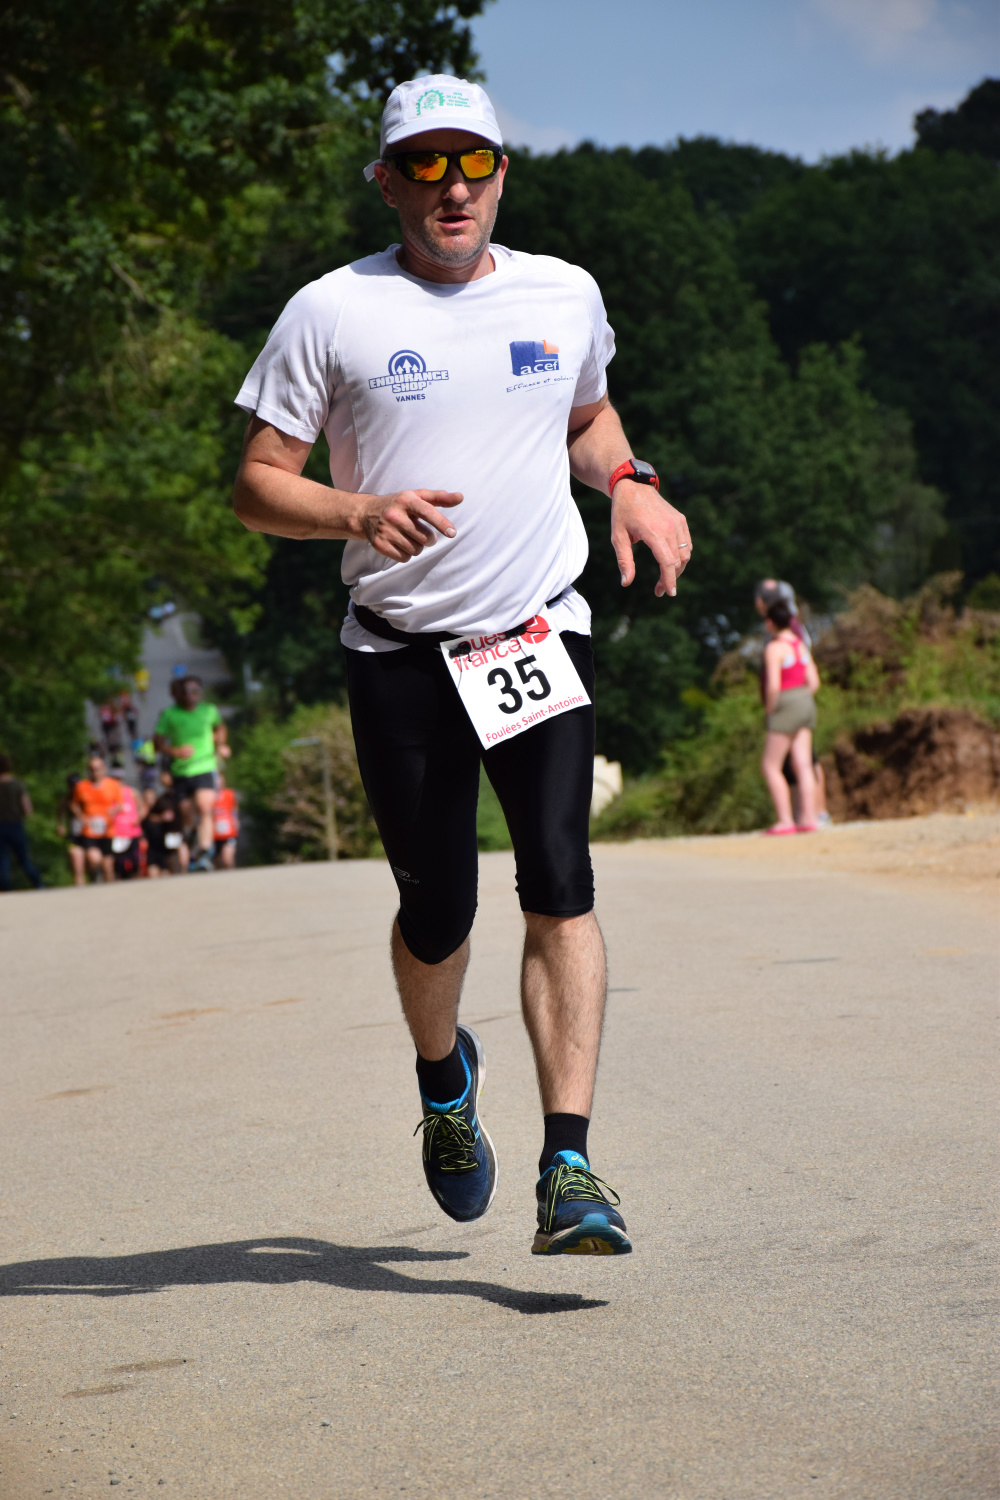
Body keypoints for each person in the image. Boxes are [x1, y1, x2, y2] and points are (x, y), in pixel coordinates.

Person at [232, 75, 693, 1256]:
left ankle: (569, 1165)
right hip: (398, 653)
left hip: (533, 631)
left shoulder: (562, 292)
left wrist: (631, 484)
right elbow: (257, 484)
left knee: (559, 880)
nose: (452, 187)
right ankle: (445, 1079)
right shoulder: (331, 311)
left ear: (501, 172)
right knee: (438, 910)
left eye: (471, 162)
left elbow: (586, 418)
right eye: (424, 164)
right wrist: (354, 512)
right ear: (386, 181)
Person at [753, 579, 829, 826]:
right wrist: (803, 698)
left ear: (770, 622)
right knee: (804, 763)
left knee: (770, 765)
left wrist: (771, 710)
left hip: (786, 702)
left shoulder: (774, 647)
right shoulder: (800, 644)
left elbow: (773, 685)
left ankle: (785, 820)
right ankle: (809, 818)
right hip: (806, 702)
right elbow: (814, 681)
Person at [153, 675, 229, 872]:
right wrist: (174, 751)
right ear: (180, 694)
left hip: (205, 766)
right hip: (181, 771)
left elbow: (220, 727)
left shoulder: (209, 710)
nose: (192, 695)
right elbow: (157, 743)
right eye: (188, 691)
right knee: (186, 813)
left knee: (205, 807)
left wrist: (221, 744)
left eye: (196, 690)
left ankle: (205, 853)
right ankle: (191, 836)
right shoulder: (169, 714)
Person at [71, 754, 123, 882]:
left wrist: (114, 811)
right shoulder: (81, 786)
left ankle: (107, 889)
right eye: (92, 769)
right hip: (90, 830)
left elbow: (120, 804)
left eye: (98, 769)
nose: (95, 772)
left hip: (107, 830)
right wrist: (81, 816)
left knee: (108, 865)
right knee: (94, 858)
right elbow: (73, 804)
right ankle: (92, 873)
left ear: (104, 769)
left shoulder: (113, 785)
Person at [0, 754, 45, 892]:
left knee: (3, 860)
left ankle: (6, 889)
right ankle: (39, 884)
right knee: (24, 859)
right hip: (15, 825)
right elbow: (27, 808)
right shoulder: (17, 784)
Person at [141, 772, 188, 877]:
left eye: (151, 797)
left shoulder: (169, 800)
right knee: (155, 872)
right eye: (146, 798)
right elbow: (149, 819)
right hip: (155, 846)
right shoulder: (150, 810)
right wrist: (161, 817)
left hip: (170, 839)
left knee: (173, 866)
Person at [56, 772, 86, 885]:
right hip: (74, 835)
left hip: (89, 834)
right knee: (77, 865)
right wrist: (60, 825)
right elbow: (59, 813)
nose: (75, 788)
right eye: (72, 785)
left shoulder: (87, 796)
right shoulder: (67, 799)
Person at [111, 782, 144, 880]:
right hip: (117, 834)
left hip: (132, 833)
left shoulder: (132, 792)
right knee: (119, 864)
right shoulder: (109, 792)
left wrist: (138, 818)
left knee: (135, 863)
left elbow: (143, 808)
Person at [212, 773, 240, 869]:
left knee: (228, 859)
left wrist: (236, 820)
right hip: (214, 833)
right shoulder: (208, 797)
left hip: (229, 831)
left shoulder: (229, 794)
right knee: (218, 860)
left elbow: (234, 808)